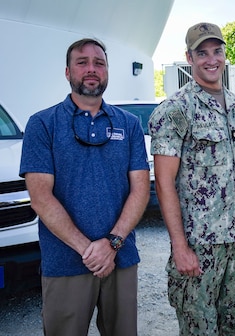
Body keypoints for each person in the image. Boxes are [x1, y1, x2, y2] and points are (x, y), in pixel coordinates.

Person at [19, 38, 150, 335]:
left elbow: (140, 190)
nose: (92, 69)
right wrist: (89, 250)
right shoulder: (42, 124)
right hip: (65, 261)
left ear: (107, 71)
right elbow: (40, 197)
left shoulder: (128, 124)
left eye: (99, 63)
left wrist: (113, 244)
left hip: (122, 258)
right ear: (67, 72)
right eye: (82, 62)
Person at [148, 22, 235, 335]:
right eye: (202, 53)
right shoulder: (175, 109)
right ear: (189, 57)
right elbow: (164, 183)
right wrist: (180, 246)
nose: (211, 59)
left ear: (224, 53)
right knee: (200, 329)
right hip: (199, 245)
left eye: (217, 50)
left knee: (234, 326)